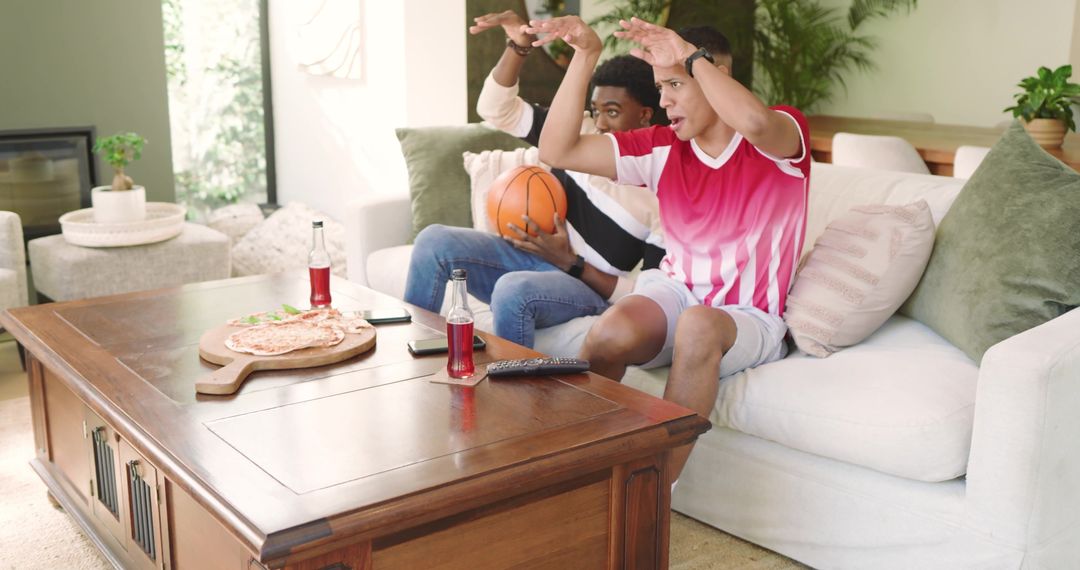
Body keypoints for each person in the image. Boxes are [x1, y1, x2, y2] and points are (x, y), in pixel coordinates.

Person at [525, 15, 810, 483]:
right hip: (676, 292)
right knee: (610, 333)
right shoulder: (661, 148)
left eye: (675, 83)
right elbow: (556, 150)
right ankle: (576, 474)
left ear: (713, 74)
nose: (664, 101)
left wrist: (690, 56)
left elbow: (756, 121)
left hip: (749, 316)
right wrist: (585, 55)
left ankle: (653, 495)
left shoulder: (779, 139)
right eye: (661, 87)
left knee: (698, 326)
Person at [403, 10, 666, 349]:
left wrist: (571, 263)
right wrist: (518, 46)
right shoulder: (578, 133)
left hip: (581, 286)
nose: (599, 122)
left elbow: (646, 294)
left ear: (645, 115)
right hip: (522, 257)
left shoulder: (663, 192)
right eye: (596, 109)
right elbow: (497, 109)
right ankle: (412, 357)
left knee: (515, 288)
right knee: (433, 240)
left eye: (612, 111)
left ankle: (511, 396)